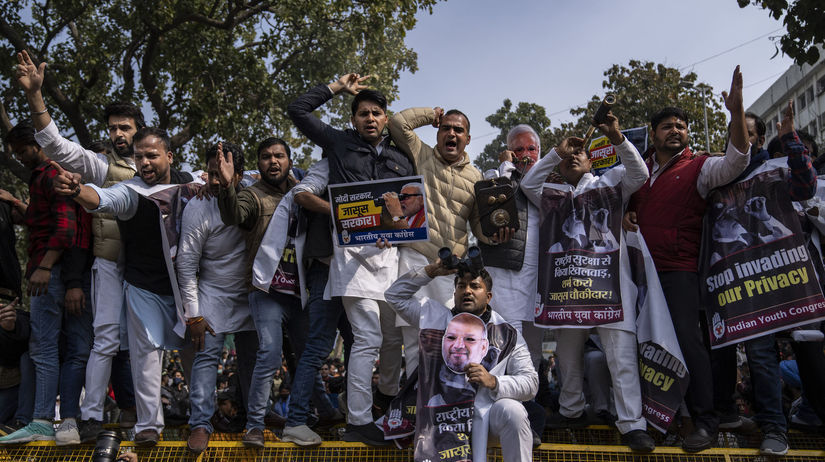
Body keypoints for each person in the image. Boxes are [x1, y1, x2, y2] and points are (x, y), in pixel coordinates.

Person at [624, 66, 751, 452]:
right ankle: (657, 418)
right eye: (667, 126)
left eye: (681, 126)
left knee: (689, 344)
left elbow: (738, 161)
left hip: (679, 272)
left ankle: (705, 421)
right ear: (654, 132)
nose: (675, 131)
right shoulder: (638, 170)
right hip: (639, 275)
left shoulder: (701, 167)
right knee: (643, 346)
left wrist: (736, 112)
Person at [14, 49, 139, 439]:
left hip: (152, 273)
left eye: (126, 128)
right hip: (106, 267)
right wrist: (36, 95)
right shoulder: (102, 168)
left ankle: (144, 419)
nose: (118, 134)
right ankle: (86, 419)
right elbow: (56, 146)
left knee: (142, 347)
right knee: (103, 342)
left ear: (142, 133)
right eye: (113, 128)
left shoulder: (164, 170)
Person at [288, 73, 414, 446]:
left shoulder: (401, 157)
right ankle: (359, 421)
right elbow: (297, 110)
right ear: (353, 119)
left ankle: (388, 405)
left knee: (392, 338)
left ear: (386, 117)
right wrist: (336, 87)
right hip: (351, 258)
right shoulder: (338, 144)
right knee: (367, 337)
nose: (370, 119)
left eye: (376, 113)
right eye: (363, 113)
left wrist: (399, 221)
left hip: (390, 257)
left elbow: (409, 209)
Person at [51, 127, 196, 447]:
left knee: (195, 354)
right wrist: (77, 190)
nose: (144, 162)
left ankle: (202, 418)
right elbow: (102, 198)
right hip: (143, 285)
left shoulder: (193, 184)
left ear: (169, 156)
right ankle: (148, 426)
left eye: (152, 155)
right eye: (139, 156)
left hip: (187, 289)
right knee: (145, 356)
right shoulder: (131, 190)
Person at [520, 111, 654, 452]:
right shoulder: (550, 193)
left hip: (611, 289)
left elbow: (641, 172)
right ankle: (571, 411)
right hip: (568, 294)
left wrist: (617, 138)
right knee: (567, 356)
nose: (574, 156)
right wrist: (554, 152)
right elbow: (527, 184)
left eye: (580, 152)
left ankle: (632, 424)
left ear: (592, 160)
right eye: (568, 155)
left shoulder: (610, 184)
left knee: (620, 358)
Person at [384, 258, 538, 461]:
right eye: (461, 286)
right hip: (439, 419)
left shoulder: (508, 334)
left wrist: (494, 382)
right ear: (454, 293)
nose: (467, 291)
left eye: (475, 286)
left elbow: (531, 383)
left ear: (488, 296)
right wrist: (431, 271)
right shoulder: (433, 317)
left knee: (513, 411)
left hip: (485, 418)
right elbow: (394, 297)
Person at [0, 122, 93, 446]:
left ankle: (41, 419)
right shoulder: (51, 175)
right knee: (74, 349)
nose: (21, 157)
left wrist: (43, 267)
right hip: (72, 275)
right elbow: (43, 221)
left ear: (37, 144)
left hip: (49, 274)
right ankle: (68, 418)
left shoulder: (52, 174)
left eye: (23, 150)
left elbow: (64, 228)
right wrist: (16, 203)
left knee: (43, 348)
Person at [214, 138, 308, 448]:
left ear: (289, 161)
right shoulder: (252, 196)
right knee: (268, 354)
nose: (273, 161)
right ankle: (254, 425)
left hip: (300, 291)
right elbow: (233, 215)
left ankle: (309, 417)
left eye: (279, 155)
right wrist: (227, 186)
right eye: (265, 157)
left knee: (307, 355)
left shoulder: (304, 194)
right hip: (266, 290)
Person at [176, 142, 256, 454]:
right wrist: (193, 314)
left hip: (251, 293)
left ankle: (256, 419)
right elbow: (185, 263)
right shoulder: (197, 206)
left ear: (239, 175)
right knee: (205, 357)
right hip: (212, 293)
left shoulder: (252, 192)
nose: (215, 179)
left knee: (253, 359)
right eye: (210, 172)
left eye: (222, 172)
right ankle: (200, 422)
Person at [480, 124, 545, 369]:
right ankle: (509, 397)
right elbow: (495, 203)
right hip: (507, 269)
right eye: (518, 149)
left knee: (534, 340)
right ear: (508, 152)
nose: (526, 155)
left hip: (541, 271)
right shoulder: (495, 175)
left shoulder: (550, 178)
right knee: (509, 337)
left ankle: (532, 398)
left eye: (531, 148)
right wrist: (506, 167)